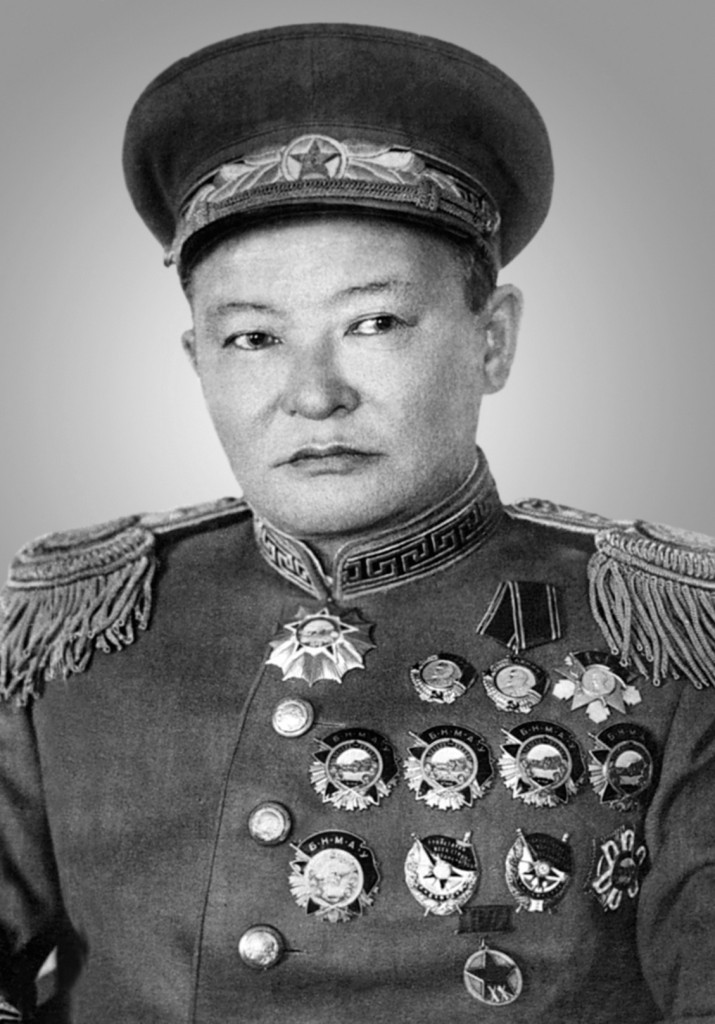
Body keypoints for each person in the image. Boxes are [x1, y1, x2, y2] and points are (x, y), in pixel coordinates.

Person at [0, 21, 714, 1024]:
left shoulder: (664, 635)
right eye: (253, 337)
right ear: (196, 361)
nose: (313, 394)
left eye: (373, 323)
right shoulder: (81, 627)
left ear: (493, 340)